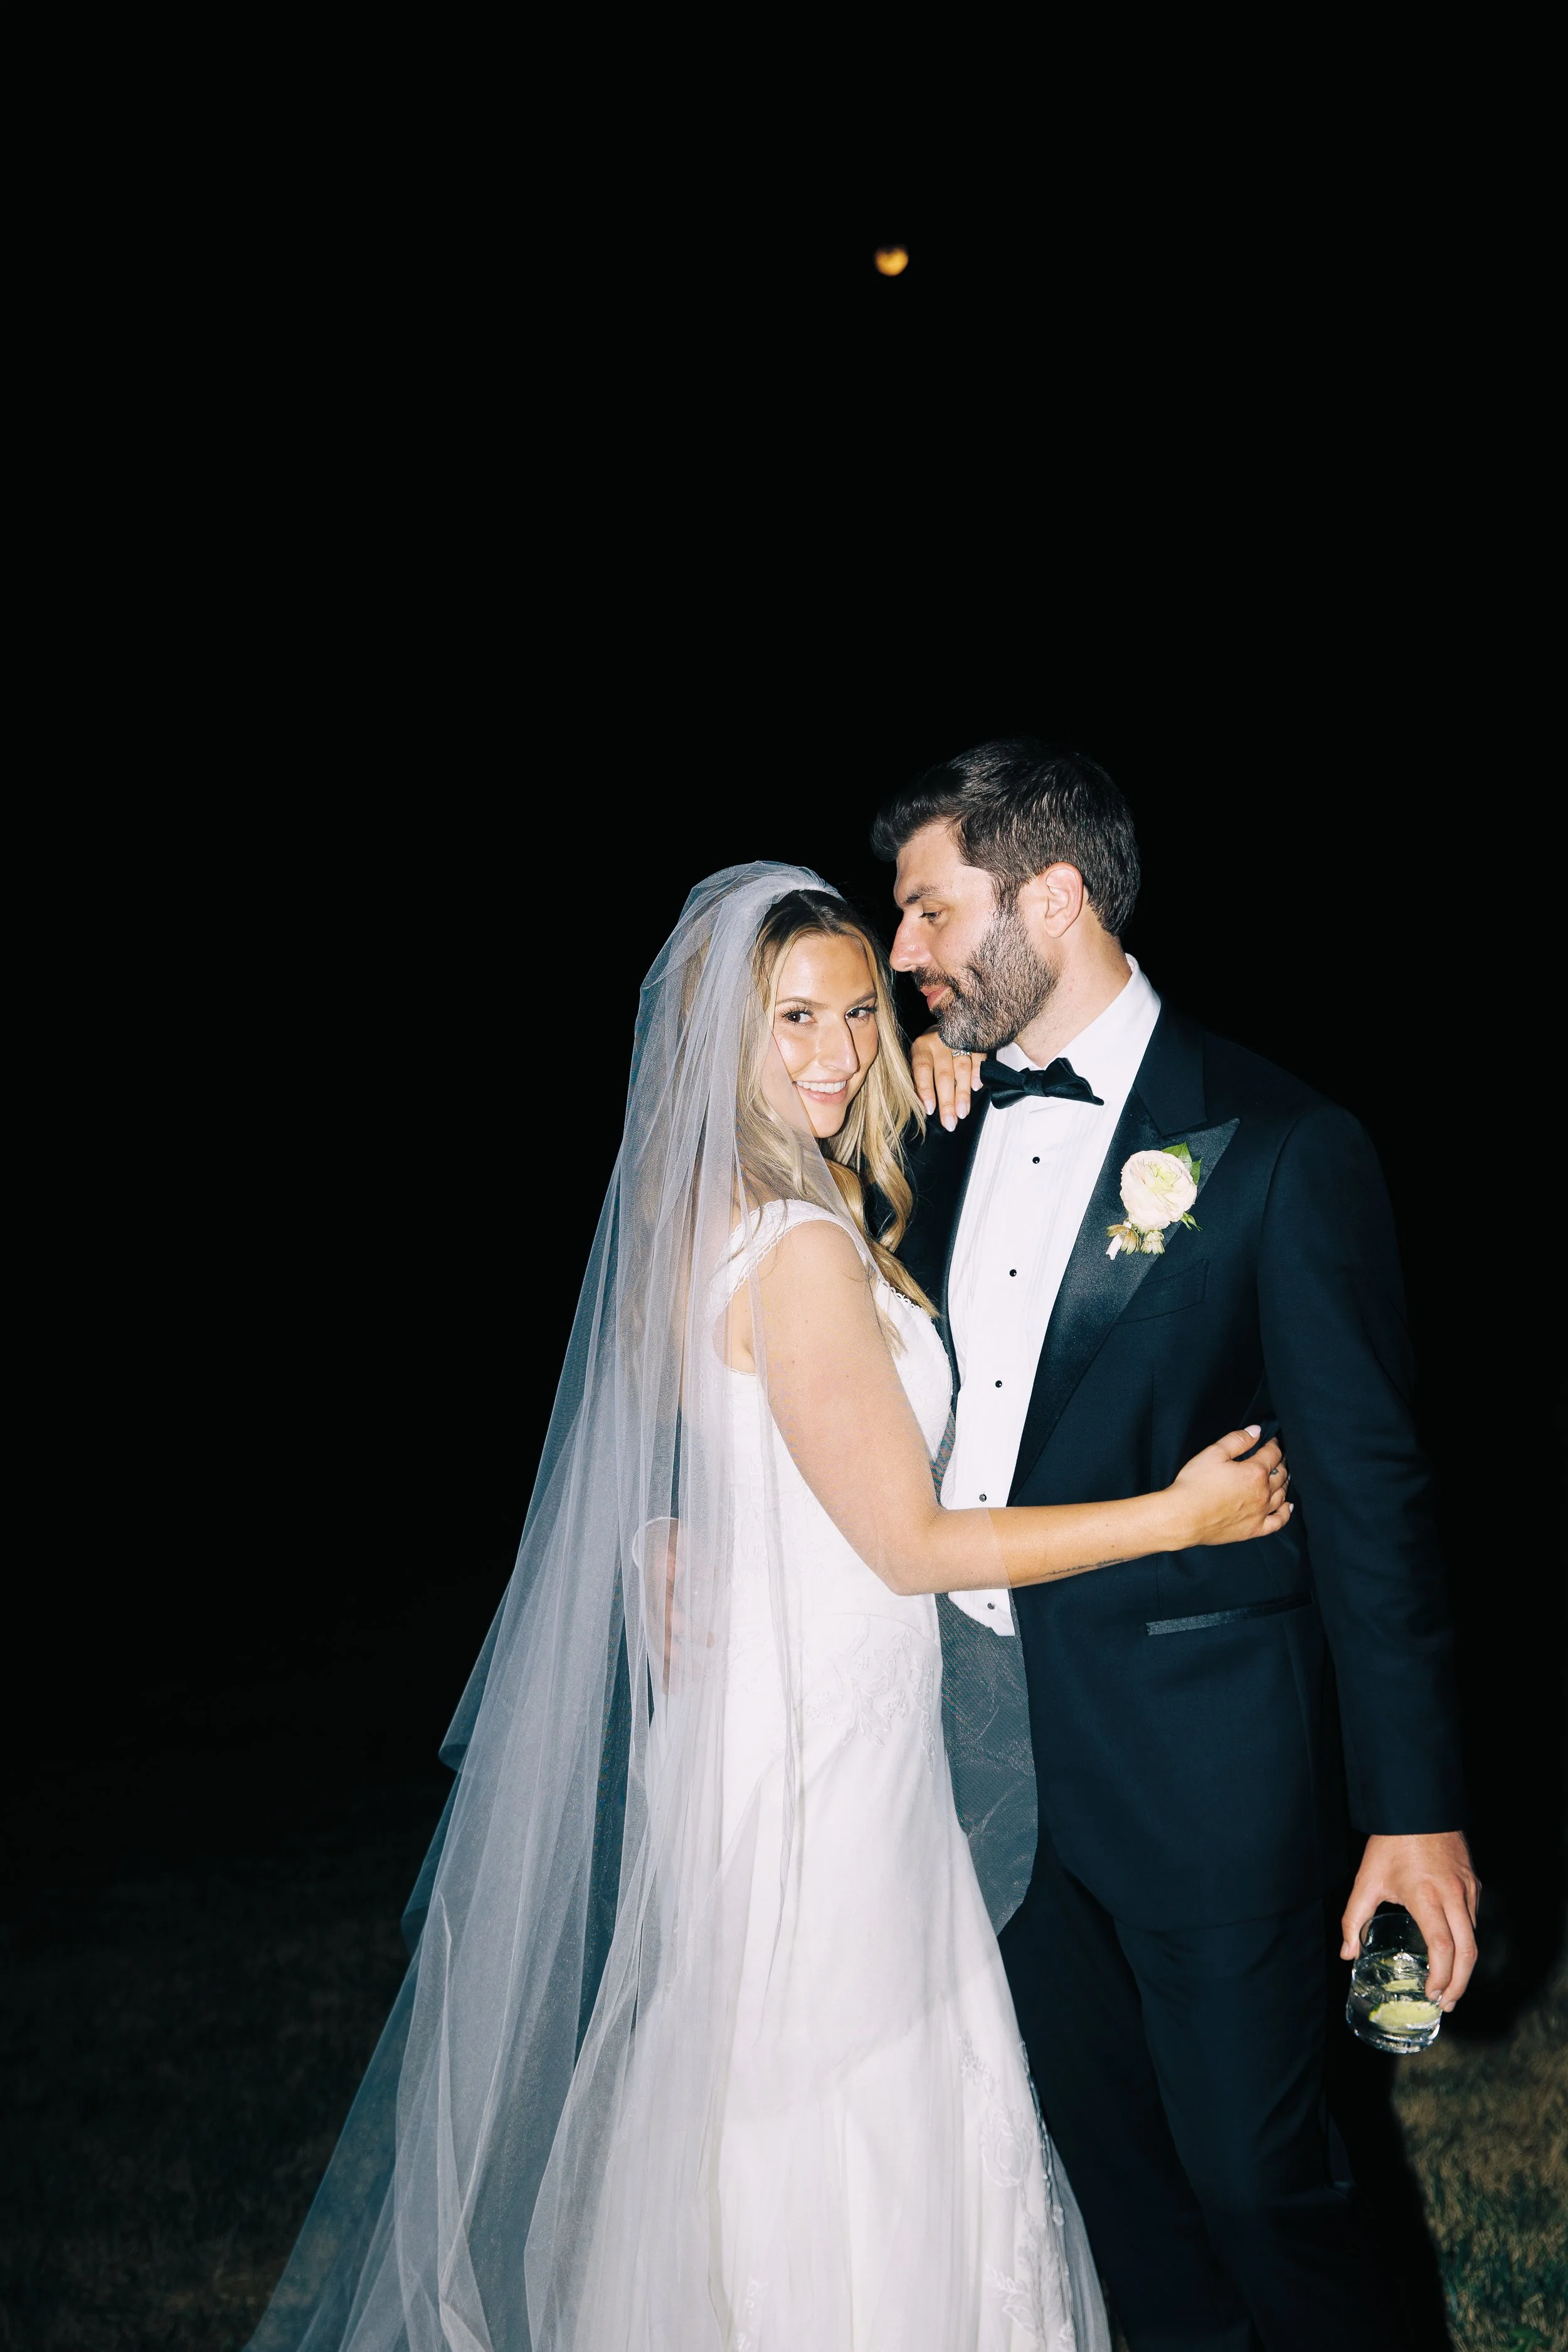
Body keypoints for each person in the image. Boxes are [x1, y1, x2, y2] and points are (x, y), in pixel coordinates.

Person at [250, 864, 1291, 2352]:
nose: (835, 1051)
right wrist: (1176, 1517)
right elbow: (913, 1544)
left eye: (860, 1012)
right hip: (822, 1771)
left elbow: (720, 1460)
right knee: (853, 2118)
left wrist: (662, 1535)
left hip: (769, 1741)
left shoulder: (714, 1229)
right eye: (791, 1019)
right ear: (715, 1042)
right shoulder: (802, 1253)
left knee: (758, 2104)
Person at [877, 740, 1476, 2352]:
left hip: (1202, 1763)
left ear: (1053, 898)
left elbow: (1370, 1502)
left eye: (932, 911)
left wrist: (1411, 1814)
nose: (905, 953)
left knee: (1256, 2183)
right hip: (971, 1757)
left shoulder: (1280, 1145)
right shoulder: (925, 1124)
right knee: (1105, 2190)